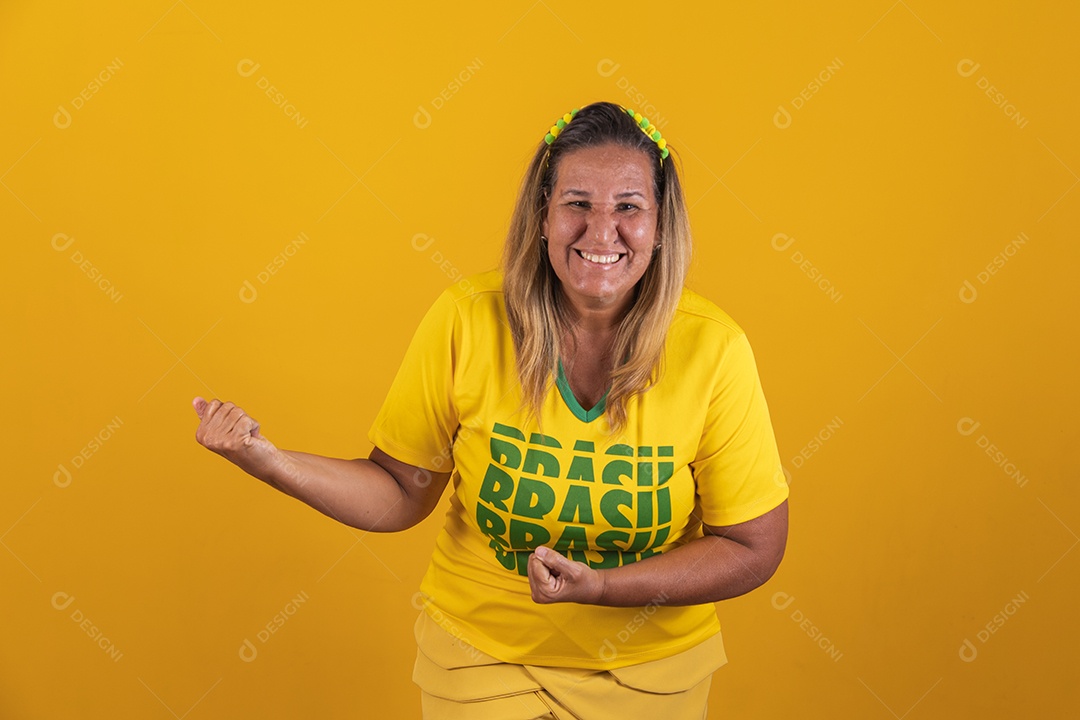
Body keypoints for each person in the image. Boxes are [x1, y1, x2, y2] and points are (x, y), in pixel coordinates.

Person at [192, 100, 789, 719]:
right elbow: (399, 490)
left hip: (649, 672)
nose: (600, 231)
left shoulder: (714, 348)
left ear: (662, 225)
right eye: (577, 203)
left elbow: (751, 546)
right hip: (480, 658)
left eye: (629, 207)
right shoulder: (467, 319)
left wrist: (604, 587)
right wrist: (268, 461)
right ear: (543, 216)